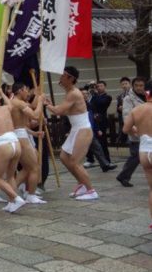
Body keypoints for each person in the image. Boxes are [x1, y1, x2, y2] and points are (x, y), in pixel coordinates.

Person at [45, 66, 98, 200]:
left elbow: (58, 112)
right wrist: (50, 104)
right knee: (64, 157)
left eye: (63, 75)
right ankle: (82, 184)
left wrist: (45, 104)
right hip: (76, 129)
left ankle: (91, 191)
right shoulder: (69, 93)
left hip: (83, 129)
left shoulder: (74, 93)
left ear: (71, 78)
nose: (60, 78)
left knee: (75, 161)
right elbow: (64, 110)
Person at [122, 80, 152, 232]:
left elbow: (126, 129)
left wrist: (137, 130)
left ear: (147, 93)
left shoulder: (137, 110)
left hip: (144, 152)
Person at [9, 83, 46, 204]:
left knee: (27, 168)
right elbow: (35, 115)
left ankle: (12, 191)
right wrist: (40, 101)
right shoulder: (18, 103)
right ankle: (30, 195)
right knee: (34, 167)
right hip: (20, 136)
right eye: (26, 90)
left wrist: (34, 134)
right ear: (20, 91)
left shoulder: (15, 102)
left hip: (21, 134)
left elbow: (23, 122)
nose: (28, 93)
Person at [117, 77, 147, 187]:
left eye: (141, 85)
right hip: (136, 132)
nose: (139, 88)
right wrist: (132, 127)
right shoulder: (128, 98)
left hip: (149, 131)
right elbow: (126, 115)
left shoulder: (148, 96)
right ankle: (123, 176)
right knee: (136, 156)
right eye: (137, 85)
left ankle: (123, 176)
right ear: (133, 86)